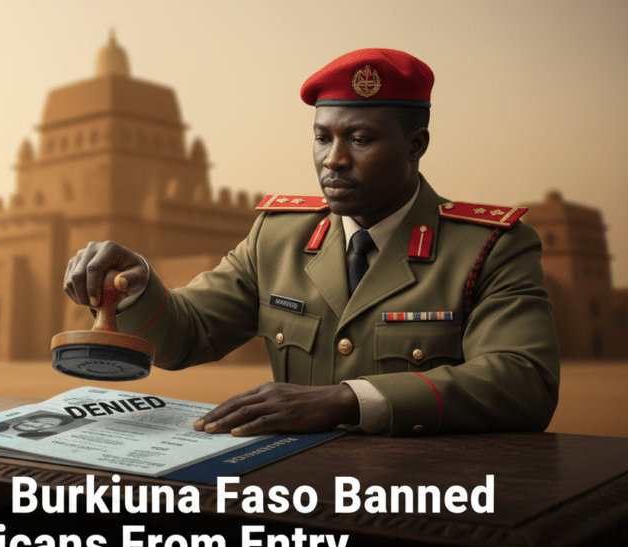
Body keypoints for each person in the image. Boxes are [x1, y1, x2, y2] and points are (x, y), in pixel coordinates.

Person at [63, 49, 559, 437]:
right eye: (323, 138)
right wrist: (140, 286)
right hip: (292, 492)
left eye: (361, 139)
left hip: (422, 496)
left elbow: (522, 381)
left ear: (416, 145)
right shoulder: (279, 237)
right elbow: (186, 334)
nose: (333, 160)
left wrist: (348, 399)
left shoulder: (488, 248)